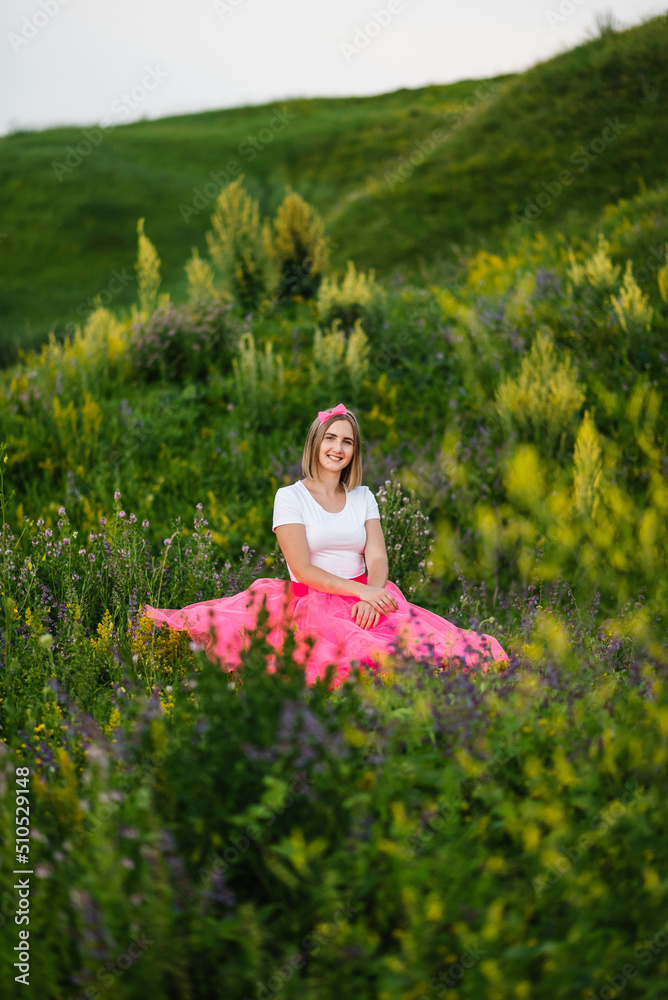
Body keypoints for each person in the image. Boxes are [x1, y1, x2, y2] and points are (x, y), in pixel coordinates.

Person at [142, 403, 510, 687]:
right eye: (331, 438)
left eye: (347, 441)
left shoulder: (364, 496)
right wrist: (358, 591)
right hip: (307, 602)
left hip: (368, 597)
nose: (338, 448)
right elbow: (302, 567)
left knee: (432, 656)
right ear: (317, 443)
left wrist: (374, 592)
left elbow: (377, 556)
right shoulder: (290, 497)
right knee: (323, 670)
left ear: (354, 451)